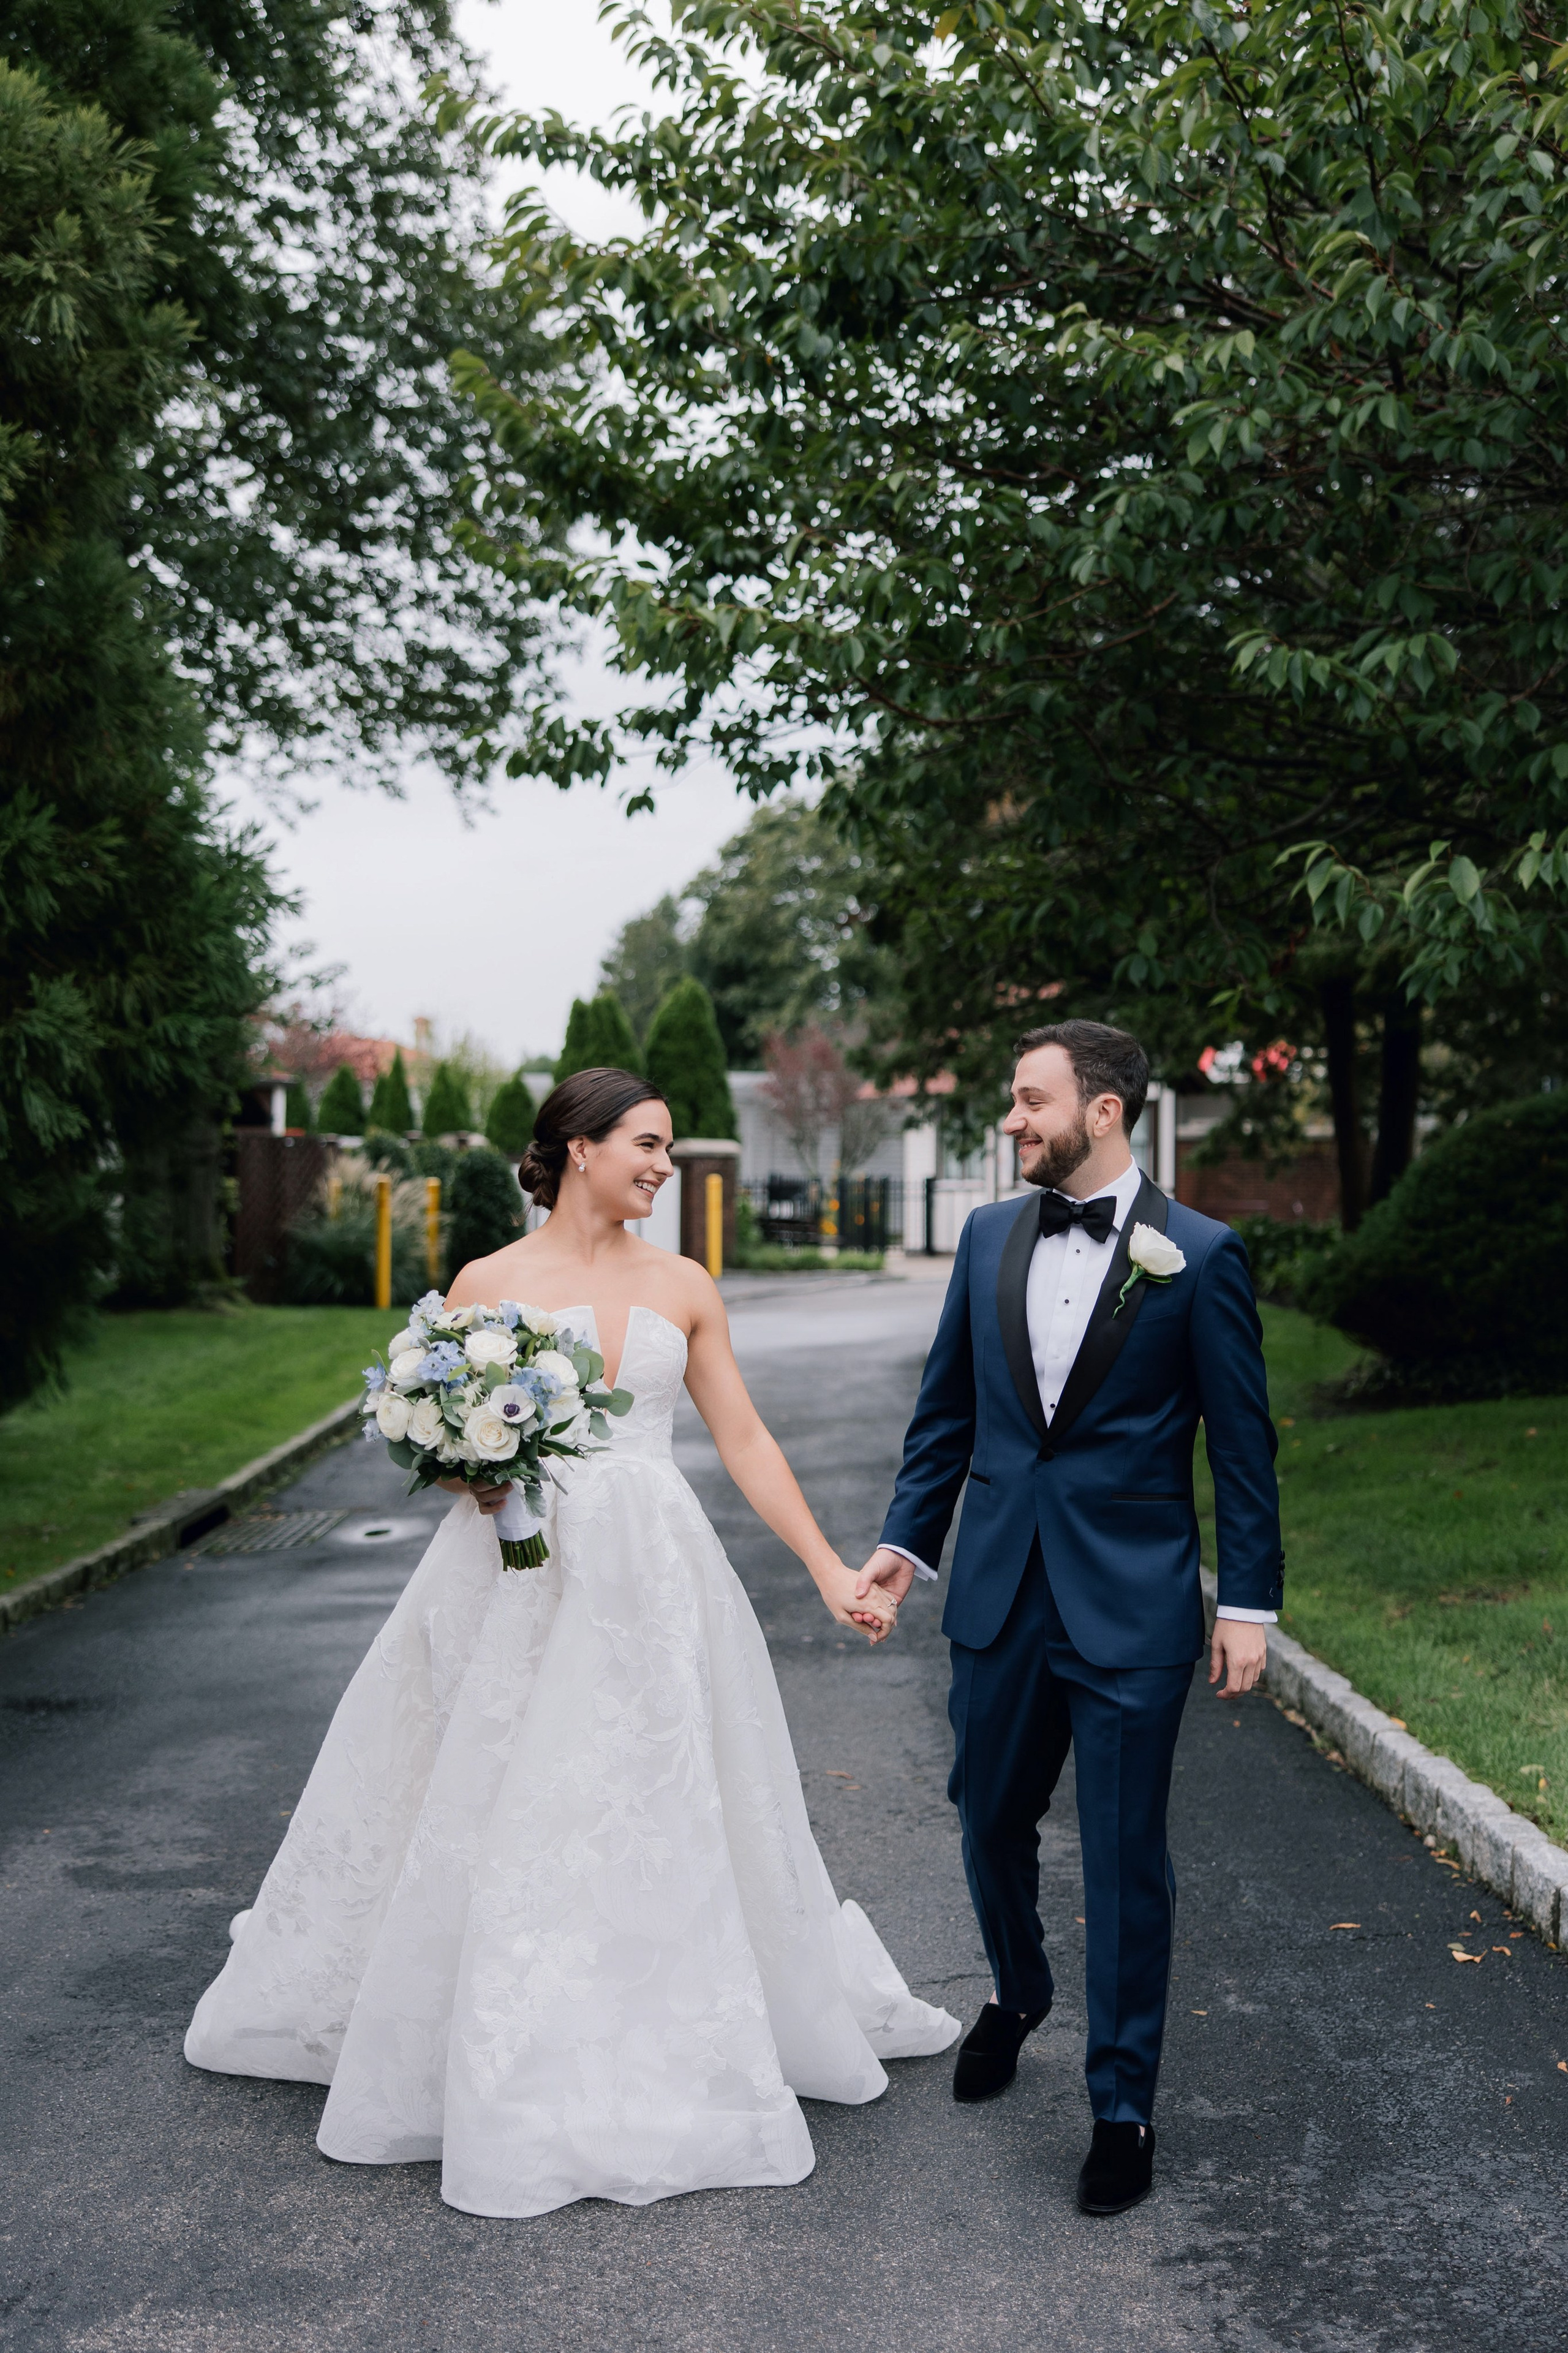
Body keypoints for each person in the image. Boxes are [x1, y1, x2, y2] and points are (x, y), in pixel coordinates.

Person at [186, 1067, 957, 2217]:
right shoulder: (488, 1281)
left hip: (652, 1571)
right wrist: (473, 1465)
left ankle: (656, 2012)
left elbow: (741, 1437)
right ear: (579, 1147)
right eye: (647, 1144)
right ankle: (498, 2024)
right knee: (501, 1788)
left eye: (672, 1148)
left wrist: (829, 1567)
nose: (664, 1166)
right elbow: (444, 1449)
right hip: (509, 1575)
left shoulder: (685, 1283)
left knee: (658, 1788)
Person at [854, 1021, 1283, 2216]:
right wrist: (902, 1543)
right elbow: (946, 1416)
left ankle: (1120, 2101)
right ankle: (1019, 1986)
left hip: (1132, 1604)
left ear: (1102, 1111)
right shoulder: (988, 1236)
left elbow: (1241, 1451)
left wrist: (1245, 1600)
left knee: (1120, 1855)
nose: (1009, 1119)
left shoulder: (1198, 1255)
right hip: (996, 1587)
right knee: (985, 1814)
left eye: (1028, 1100)